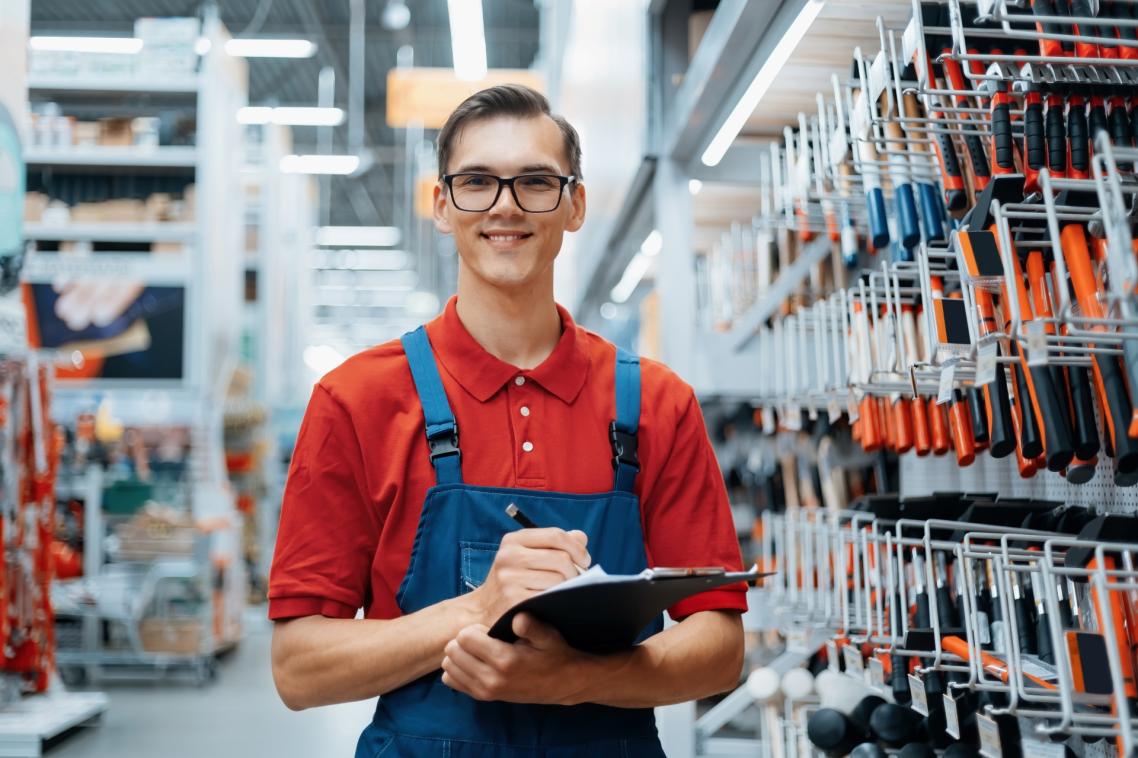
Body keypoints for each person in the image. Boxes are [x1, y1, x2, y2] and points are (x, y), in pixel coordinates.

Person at [268, 84, 747, 757]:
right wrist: (476, 608)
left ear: (574, 203)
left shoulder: (657, 405)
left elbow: (720, 647)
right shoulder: (357, 400)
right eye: (476, 182)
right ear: (441, 203)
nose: (504, 205)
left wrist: (575, 680)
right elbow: (298, 667)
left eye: (535, 182)